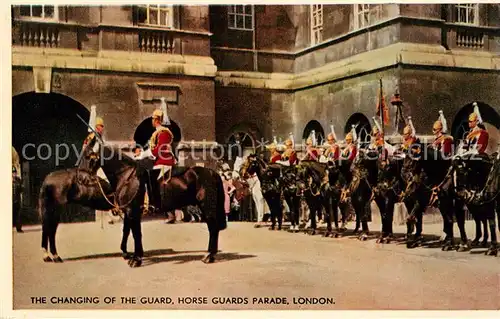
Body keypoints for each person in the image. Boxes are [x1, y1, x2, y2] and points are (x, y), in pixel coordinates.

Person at [136, 108, 176, 215]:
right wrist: (142, 154)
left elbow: (158, 150)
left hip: (165, 161)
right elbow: (153, 149)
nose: (152, 121)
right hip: (159, 160)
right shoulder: (157, 133)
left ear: (157, 120)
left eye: (153, 119)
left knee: (151, 176)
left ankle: (155, 204)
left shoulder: (163, 133)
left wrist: (143, 155)